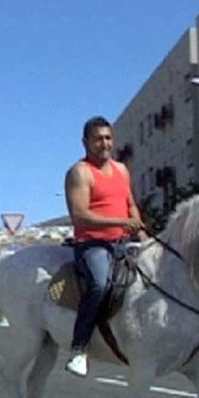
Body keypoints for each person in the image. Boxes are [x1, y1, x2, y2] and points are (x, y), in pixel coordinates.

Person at [63, 116, 146, 377]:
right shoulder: (80, 172)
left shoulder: (121, 170)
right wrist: (122, 221)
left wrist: (141, 231)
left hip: (124, 242)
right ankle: (79, 349)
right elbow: (80, 215)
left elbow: (130, 204)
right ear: (85, 142)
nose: (104, 143)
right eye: (98, 138)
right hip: (92, 244)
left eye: (108, 138)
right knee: (99, 283)